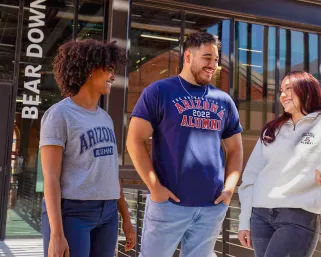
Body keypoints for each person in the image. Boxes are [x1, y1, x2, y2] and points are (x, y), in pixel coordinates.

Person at [126, 32, 243, 257]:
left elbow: (235, 149)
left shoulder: (224, 100)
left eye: (216, 60)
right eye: (207, 58)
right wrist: (155, 188)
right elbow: (134, 140)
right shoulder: (159, 91)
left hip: (211, 207)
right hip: (168, 205)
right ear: (188, 56)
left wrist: (229, 189)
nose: (213, 65)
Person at [237, 71, 321, 257]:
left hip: (299, 216)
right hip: (260, 215)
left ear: (307, 91)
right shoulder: (272, 129)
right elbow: (251, 177)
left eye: (289, 89)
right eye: (281, 90)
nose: (283, 95)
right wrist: (244, 220)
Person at [40, 39, 136, 257]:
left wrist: (126, 217)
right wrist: (56, 234)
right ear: (89, 70)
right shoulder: (59, 115)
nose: (113, 76)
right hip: (73, 213)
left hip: (108, 213)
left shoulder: (106, 119)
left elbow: (111, 172)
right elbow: (51, 177)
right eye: (109, 69)